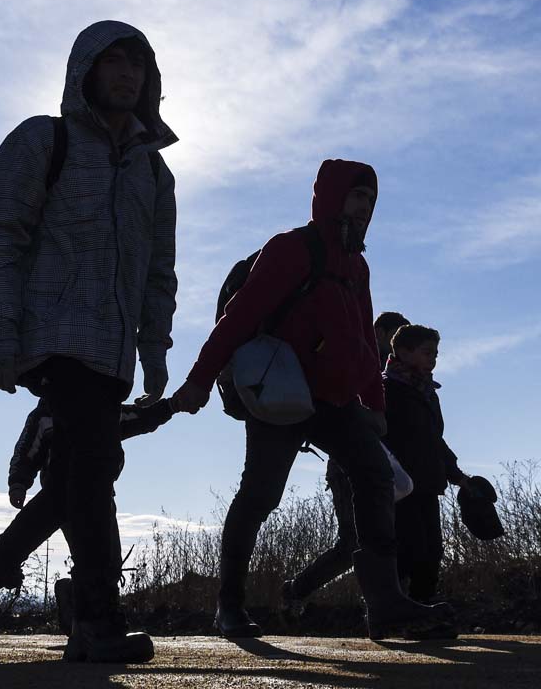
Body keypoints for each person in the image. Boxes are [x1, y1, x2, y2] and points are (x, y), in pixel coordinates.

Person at [172, 159, 455, 640]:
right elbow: (237, 321)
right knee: (261, 495)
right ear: (330, 198)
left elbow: (365, 343)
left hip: (334, 400)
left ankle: (385, 604)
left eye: (371, 200)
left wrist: (376, 405)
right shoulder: (291, 250)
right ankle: (230, 607)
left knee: (374, 473)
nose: (365, 207)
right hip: (280, 396)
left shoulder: (357, 266)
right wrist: (198, 381)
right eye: (356, 196)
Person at [0, 20, 179, 663]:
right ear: (85, 69)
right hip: (56, 336)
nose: (125, 74)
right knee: (93, 472)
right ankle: (96, 620)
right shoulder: (44, 139)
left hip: (112, 348)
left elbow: (158, 267)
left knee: (79, 477)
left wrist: (154, 346)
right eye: (112, 61)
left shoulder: (154, 170)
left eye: (136, 65)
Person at [0, 398, 176, 659]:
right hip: (68, 492)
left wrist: (169, 406)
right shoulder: (48, 415)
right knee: (95, 548)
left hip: (95, 492)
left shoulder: (107, 411)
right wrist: (19, 480)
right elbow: (26, 448)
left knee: (104, 558)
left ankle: (81, 613)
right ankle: (88, 621)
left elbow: (138, 417)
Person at [282, 311, 412, 606]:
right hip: (348, 462)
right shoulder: (358, 359)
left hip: (384, 463)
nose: (394, 345)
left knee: (387, 535)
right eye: (391, 337)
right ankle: (298, 590)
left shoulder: (397, 374)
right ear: (378, 332)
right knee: (353, 542)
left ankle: (393, 601)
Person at [381, 324, 471, 601]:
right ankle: (390, 606)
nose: (433, 358)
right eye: (426, 352)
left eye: (435, 353)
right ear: (403, 352)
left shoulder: (427, 392)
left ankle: (424, 607)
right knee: (409, 549)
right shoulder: (386, 389)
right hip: (399, 485)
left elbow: (433, 439)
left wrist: (456, 474)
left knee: (433, 549)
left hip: (428, 482)